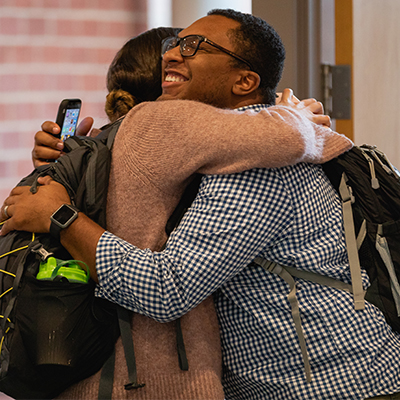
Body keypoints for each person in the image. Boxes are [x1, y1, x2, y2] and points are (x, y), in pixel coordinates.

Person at [0, 9, 359, 400]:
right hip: (169, 379)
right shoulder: (162, 126)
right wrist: (298, 116)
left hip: (314, 381)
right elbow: (285, 138)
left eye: (193, 47)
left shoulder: (205, 154)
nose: (173, 56)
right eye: (174, 46)